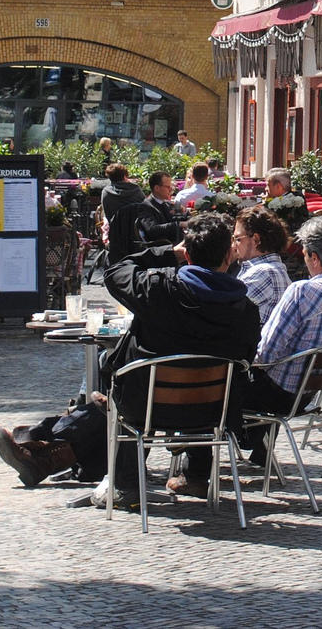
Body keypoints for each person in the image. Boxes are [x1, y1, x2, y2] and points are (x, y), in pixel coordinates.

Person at [96, 213, 263, 503]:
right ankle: (197, 474)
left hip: (146, 409)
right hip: (213, 413)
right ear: (229, 255)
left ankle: (125, 484)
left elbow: (115, 272)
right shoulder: (245, 310)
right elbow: (247, 356)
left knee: (116, 369)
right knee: (209, 368)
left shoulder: (158, 289)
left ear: (186, 254)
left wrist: (166, 253)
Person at [236, 217, 322, 465]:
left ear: (315, 258)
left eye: (306, 255)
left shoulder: (302, 292)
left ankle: (198, 464)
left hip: (277, 394)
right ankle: (257, 446)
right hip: (311, 393)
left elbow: (266, 353)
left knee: (221, 381)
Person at [230, 206, 292, 322]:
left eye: (238, 239)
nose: (234, 246)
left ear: (256, 240)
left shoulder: (262, 273)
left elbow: (225, 316)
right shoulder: (272, 269)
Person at [106, 171, 182, 263]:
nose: (171, 190)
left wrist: (181, 214)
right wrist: (179, 224)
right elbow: (152, 229)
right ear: (157, 188)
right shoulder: (146, 206)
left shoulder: (165, 204)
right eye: (168, 187)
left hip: (170, 244)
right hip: (161, 249)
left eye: (171, 187)